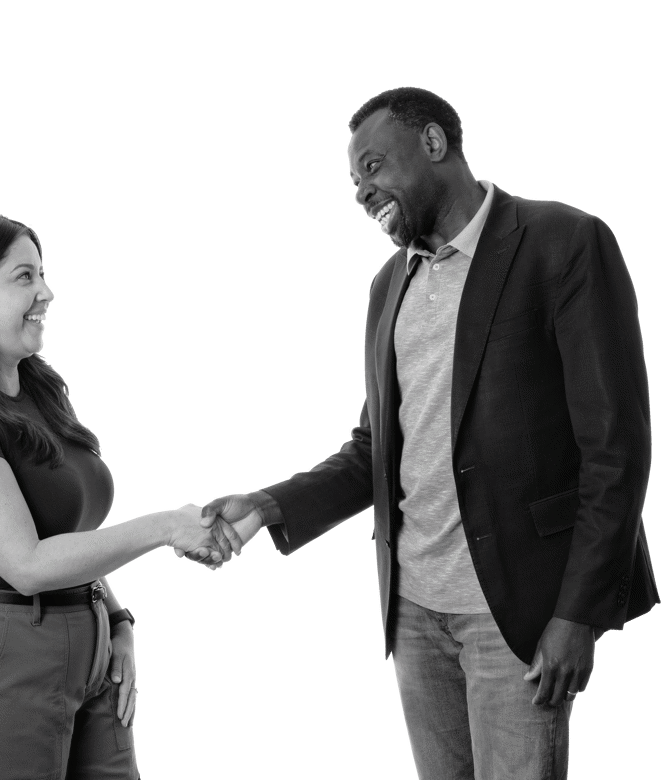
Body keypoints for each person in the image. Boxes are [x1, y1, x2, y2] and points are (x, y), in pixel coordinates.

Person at [186, 86, 660, 778]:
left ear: (434, 143)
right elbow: (374, 449)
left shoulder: (563, 240)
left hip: (518, 616)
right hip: (413, 614)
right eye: (352, 182)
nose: (360, 193)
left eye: (373, 167)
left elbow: (617, 447)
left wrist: (578, 615)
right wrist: (262, 506)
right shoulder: (387, 285)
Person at [0, 210, 241, 780]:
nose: (48, 292)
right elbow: (27, 564)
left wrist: (115, 618)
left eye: (43, 274)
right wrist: (165, 527)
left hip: (90, 649)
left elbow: (65, 538)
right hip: (1, 657)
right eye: (24, 277)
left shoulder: (40, 390)